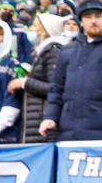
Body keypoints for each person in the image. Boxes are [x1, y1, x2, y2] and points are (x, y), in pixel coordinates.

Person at [40, 0, 102, 142]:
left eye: (98, 16)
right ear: (81, 21)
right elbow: (56, 89)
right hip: (69, 131)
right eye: (88, 17)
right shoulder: (67, 51)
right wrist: (50, 117)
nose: (93, 21)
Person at [16, 13, 68, 143]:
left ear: (46, 29)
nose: (32, 29)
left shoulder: (54, 51)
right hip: (36, 121)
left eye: (35, 25)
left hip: (44, 121)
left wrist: (25, 83)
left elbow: (55, 87)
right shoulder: (41, 51)